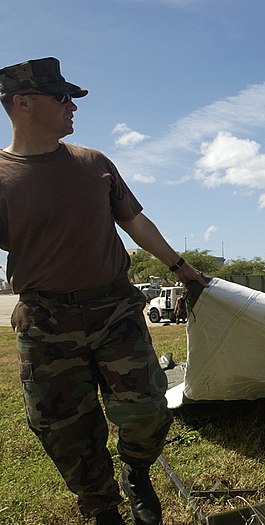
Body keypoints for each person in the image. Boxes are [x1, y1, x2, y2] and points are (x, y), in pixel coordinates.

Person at [0, 57, 207, 524]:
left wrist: (179, 266)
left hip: (114, 308)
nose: (73, 106)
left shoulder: (93, 163)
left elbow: (134, 222)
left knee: (145, 410)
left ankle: (136, 469)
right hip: (45, 321)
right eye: (63, 98)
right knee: (63, 429)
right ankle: (100, 506)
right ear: (23, 102)